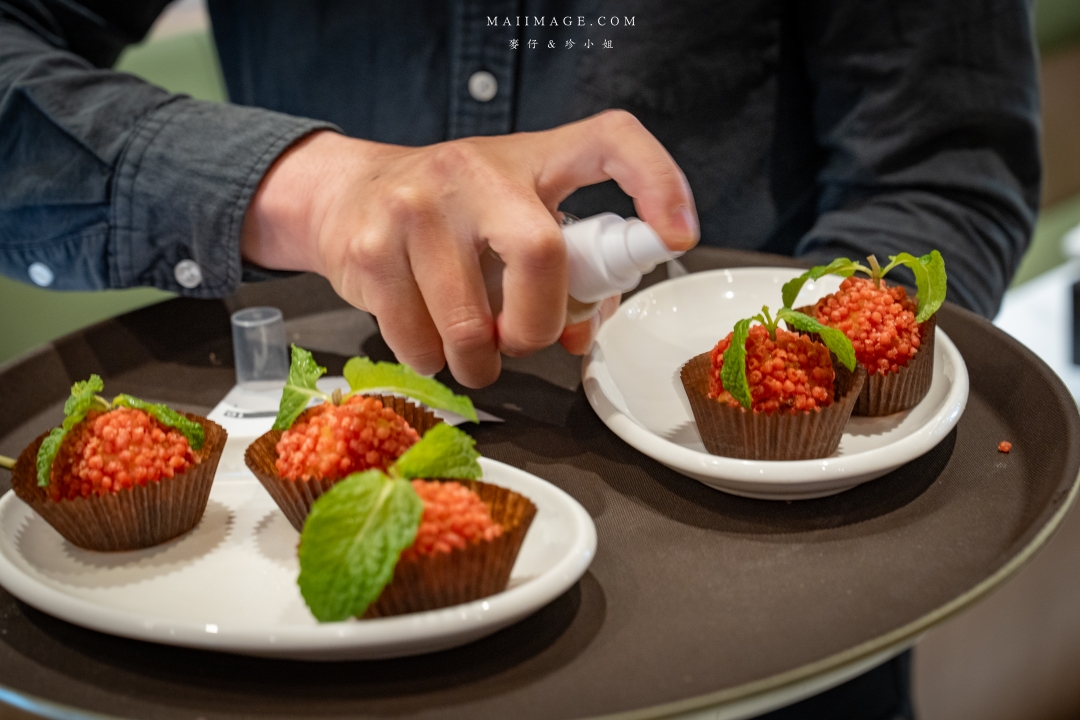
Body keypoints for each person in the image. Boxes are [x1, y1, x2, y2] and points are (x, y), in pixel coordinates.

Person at [0, 1, 1040, 717]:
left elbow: (942, 163)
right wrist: (301, 189)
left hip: (760, 631)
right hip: (301, 641)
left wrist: (831, 386)